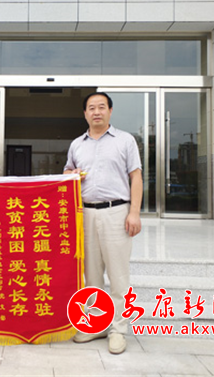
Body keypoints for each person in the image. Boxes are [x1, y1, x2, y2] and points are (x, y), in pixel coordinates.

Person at [64, 92, 142, 354]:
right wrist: (71, 173)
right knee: (92, 275)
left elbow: (136, 177)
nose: (96, 112)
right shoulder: (77, 144)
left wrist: (134, 212)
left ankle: (119, 330)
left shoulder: (125, 140)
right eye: (91, 108)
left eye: (101, 107)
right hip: (86, 214)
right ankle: (96, 325)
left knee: (118, 275)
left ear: (110, 111)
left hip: (116, 212)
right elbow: (67, 171)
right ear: (85, 113)